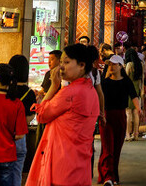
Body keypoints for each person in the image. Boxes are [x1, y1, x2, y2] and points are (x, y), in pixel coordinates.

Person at [26, 43, 100, 186]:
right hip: (79, 163)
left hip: (61, 164)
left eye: (66, 62)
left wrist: (54, 86)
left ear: (82, 65)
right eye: (61, 62)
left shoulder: (71, 92)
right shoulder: (90, 90)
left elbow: (42, 115)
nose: (61, 67)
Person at [99, 54, 141, 186]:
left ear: (120, 66)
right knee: (107, 148)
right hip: (106, 116)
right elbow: (99, 99)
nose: (111, 67)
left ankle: (113, 175)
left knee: (116, 148)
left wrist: (138, 109)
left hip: (121, 116)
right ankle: (108, 177)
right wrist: (100, 114)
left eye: (114, 64)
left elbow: (134, 95)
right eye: (109, 64)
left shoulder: (126, 81)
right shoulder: (104, 82)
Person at [7, 55, 37, 183]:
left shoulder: (6, 90)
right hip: (20, 138)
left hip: (3, 137)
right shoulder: (29, 93)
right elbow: (30, 118)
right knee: (16, 175)